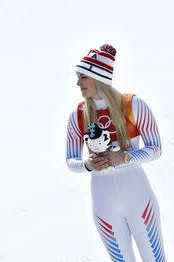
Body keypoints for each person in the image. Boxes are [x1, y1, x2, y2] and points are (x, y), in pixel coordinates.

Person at [66, 44, 166, 261]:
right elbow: (71, 160)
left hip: (138, 195)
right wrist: (88, 165)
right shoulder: (78, 115)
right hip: (103, 200)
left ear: (98, 77)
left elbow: (156, 149)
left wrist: (126, 157)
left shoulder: (133, 105)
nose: (78, 83)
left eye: (83, 77)